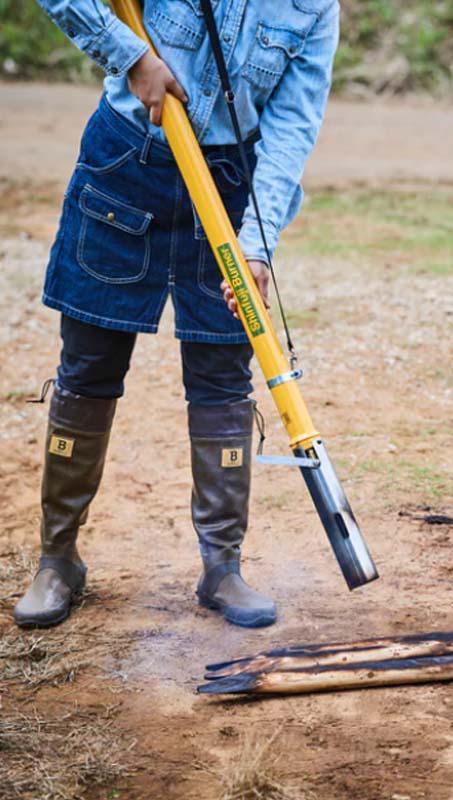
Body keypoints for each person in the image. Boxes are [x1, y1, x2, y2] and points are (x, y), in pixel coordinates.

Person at [14, 0, 339, 629]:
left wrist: (256, 241)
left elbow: (294, 124)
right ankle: (58, 560)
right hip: (123, 168)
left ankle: (222, 567)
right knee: (88, 368)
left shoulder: (313, 8)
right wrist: (131, 55)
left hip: (224, 183)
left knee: (222, 374)